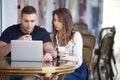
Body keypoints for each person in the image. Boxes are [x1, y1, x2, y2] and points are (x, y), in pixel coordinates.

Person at [0, 5, 57, 80]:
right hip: (12, 72)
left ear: (36, 19)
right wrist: (16, 43)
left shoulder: (42, 32)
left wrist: (50, 54)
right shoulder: (10, 31)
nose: (29, 25)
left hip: (34, 72)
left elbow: (52, 51)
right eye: (26, 21)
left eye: (32, 21)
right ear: (20, 18)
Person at [52, 8, 90, 80]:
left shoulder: (76, 36)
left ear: (66, 22)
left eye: (59, 21)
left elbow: (78, 58)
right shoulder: (54, 37)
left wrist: (67, 57)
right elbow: (53, 55)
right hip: (59, 69)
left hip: (76, 70)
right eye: (54, 20)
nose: (55, 23)